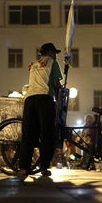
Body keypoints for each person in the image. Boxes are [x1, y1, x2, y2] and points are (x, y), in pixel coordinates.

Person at [18, 43, 63, 178]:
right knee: (46, 134)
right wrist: (60, 95)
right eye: (54, 52)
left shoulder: (33, 64)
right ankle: (43, 167)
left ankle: (24, 168)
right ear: (49, 52)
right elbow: (56, 84)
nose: (55, 55)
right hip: (45, 99)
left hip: (30, 100)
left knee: (28, 135)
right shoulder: (53, 63)